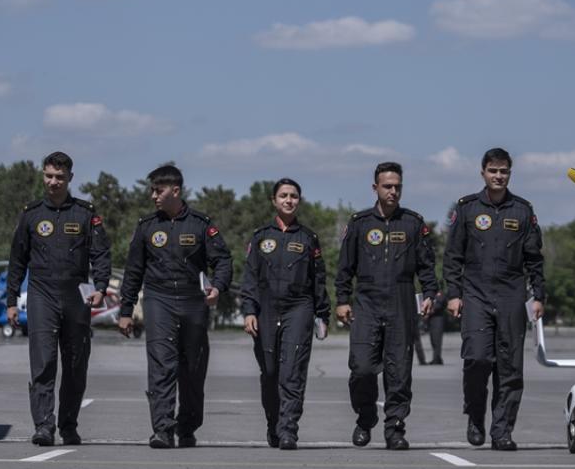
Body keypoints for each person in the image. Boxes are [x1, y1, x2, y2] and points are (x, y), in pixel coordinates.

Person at [117, 164, 232, 449]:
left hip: (194, 302)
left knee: (192, 368)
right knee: (161, 364)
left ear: (175, 190)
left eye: (158, 191)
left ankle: (187, 426)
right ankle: (163, 429)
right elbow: (133, 271)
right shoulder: (146, 226)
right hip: (159, 300)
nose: (153, 196)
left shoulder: (201, 224)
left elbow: (223, 261)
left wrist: (217, 287)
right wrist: (125, 310)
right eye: (152, 190)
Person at [7, 151, 111, 446]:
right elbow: (17, 260)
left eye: (59, 177)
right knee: (43, 363)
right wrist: (11, 300)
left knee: (76, 365)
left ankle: (68, 425)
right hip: (42, 295)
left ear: (70, 178)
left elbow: (101, 254)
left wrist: (101, 287)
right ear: (43, 175)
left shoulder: (85, 213)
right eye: (49, 176)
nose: (53, 182)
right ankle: (43, 425)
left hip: (76, 296)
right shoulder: (31, 214)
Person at [444, 148, 545, 451]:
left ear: (509, 174)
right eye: (493, 171)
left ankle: (501, 431)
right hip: (475, 293)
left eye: (503, 171)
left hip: (512, 295)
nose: (498, 176)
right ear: (483, 173)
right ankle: (475, 415)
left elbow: (534, 258)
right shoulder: (467, 208)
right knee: (477, 358)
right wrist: (453, 294)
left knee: (510, 368)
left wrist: (538, 295)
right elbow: (453, 256)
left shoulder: (523, 210)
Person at [334, 162, 438, 450]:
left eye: (397, 187)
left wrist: (429, 293)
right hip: (366, 303)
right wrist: (342, 300)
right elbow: (345, 267)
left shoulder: (413, 223)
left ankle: (395, 429)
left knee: (399, 372)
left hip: (401, 303)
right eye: (387, 186)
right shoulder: (360, 223)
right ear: (375, 188)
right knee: (362, 368)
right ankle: (365, 416)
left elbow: (426, 266)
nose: (393, 191)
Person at [240, 178, 332, 451]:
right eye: (283, 195)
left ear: (299, 201)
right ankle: (274, 424)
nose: (288, 200)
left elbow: (319, 279)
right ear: (274, 200)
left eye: (293, 196)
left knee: (292, 372)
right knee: (270, 372)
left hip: (299, 307)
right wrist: (249, 310)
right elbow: (250, 277)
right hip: (266, 309)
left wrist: (322, 314)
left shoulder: (308, 238)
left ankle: (289, 429)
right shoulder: (260, 237)